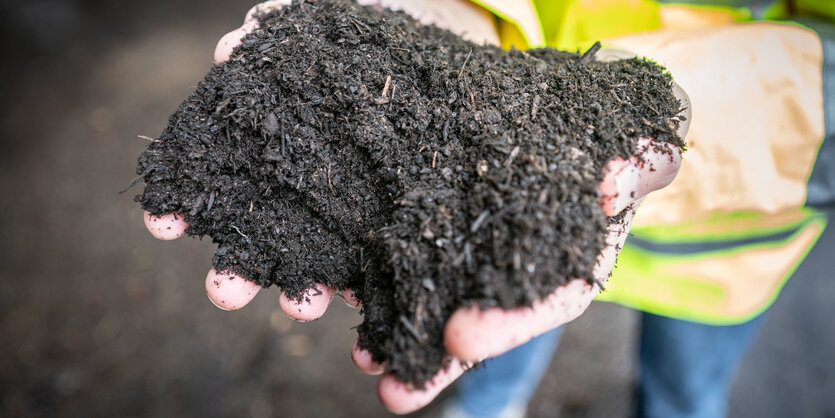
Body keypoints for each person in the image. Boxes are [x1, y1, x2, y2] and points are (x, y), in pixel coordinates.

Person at [143, 0, 835, 416]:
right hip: (505, 105)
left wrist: (682, 104)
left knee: (682, 394)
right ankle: (489, 404)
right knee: (486, 334)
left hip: (724, 244)